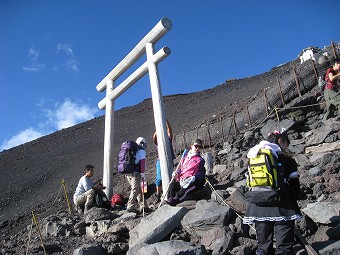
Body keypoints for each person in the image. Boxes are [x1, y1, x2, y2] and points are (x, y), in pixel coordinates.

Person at [243, 130, 302, 255]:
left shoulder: (254, 156)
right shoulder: (287, 160)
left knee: (263, 247)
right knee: (284, 248)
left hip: (257, 205)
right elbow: (295, 184)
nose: (287, 147)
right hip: (282, 205)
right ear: (280, 141)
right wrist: (294, 199)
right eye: (287, 144)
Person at [166, 138, 206, 206]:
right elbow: (181, 169)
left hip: (192, 180)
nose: (197, 148)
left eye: (200, 147)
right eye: (196, 146)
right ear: (192, 146)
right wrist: (177, 173)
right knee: (172, 185)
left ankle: (177, 201)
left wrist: (195, 177)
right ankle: (170, 199)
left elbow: (202, 173)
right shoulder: (184, 157)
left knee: (184, 190)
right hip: (182, 179)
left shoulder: (200, 160)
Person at [153, 119, 176, 201]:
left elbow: (170, 129)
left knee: (171, 176)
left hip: (169, 159)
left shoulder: (168, 139)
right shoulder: (158, 143)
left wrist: (166, 121)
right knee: (159, 178)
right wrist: (159, 130)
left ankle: (170, 193)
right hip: (160, 161)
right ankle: (158, 195)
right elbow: (154, 137)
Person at [125, 137, 149, 213]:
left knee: (139, 190)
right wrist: (142, 174)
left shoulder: (133, 151)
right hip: (136, 173)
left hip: (129, 173)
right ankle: (130, 205)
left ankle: (144, 206)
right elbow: (142, 164)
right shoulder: (142, 151)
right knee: (135, 189)